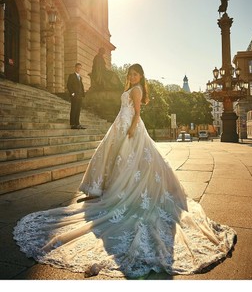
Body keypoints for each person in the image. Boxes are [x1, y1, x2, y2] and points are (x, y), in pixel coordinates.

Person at [13, 64, 236, 278]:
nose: (132, 76)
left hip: (130, 128)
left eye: (136, 74)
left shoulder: (137, 90)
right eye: (130, 73)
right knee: (117, 160)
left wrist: (130, 130)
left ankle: (124, 192)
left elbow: (137, 114)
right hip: (120, 125)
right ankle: (109, 188)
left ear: (141, 76)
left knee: (131, 162)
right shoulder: (129, 88)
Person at [66, 63, 86, 129]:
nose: (79, 69)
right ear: (75, 68)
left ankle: (77, 124)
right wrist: (72, 93)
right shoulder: (71, 76)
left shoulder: (80, 77)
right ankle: (72, 124)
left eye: (80, 68)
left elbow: (81, 86)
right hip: (74, 96)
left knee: (78, 110)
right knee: (73, 109)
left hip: (80, 96)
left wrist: (83, 94)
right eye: (78, 67)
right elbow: (69, 85)